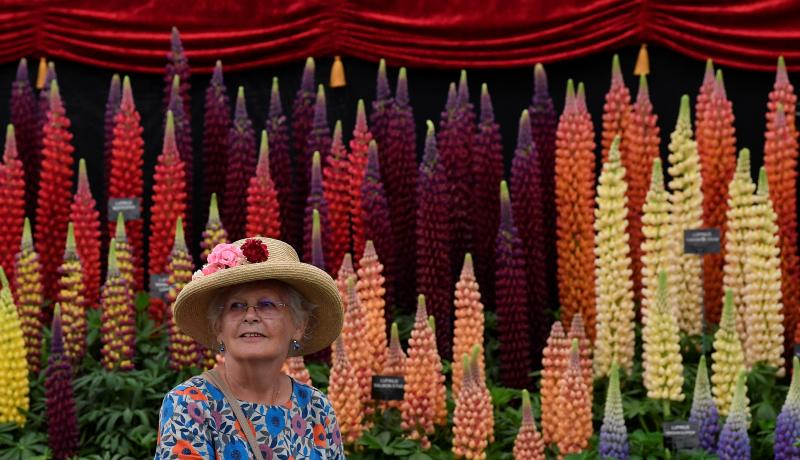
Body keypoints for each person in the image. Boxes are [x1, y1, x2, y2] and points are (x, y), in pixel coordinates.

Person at [154, 237, 345, 459]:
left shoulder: (316, 408)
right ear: (218, 327)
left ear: (298, 326)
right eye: (237, 306)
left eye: (267, 305)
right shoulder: (190, 403)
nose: (250, 316)